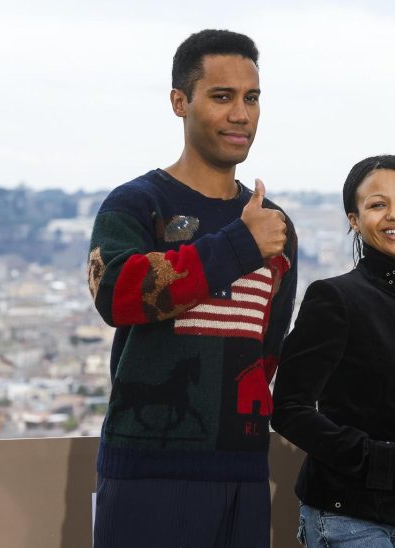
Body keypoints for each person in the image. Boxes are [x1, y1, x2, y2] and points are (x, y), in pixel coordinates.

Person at [87, 29, 297, 548]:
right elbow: (116, 294)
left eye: (252, 98)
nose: (241, 115)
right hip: (147, 470)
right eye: (222, 97)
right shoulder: (136, 203)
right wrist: (240, 245)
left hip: (244, 470)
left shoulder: (275, 226)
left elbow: (267, 350)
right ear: (179, 102)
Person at [271, 155, 395, 547]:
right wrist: (387, 459)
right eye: (377, 205)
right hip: (344, 512)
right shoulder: (334, 298)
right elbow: (289, 410)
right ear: (354, 220)